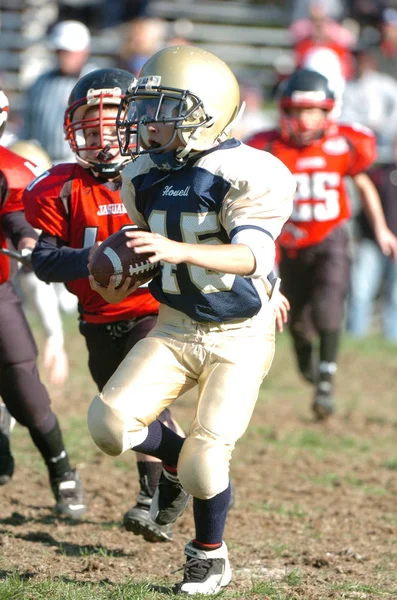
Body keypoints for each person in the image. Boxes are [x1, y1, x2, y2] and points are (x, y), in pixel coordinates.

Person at [86, 45, 295, 594]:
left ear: (207, 112)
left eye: (162, 109)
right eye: (145, 108)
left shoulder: (247, 171)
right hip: (177, 324)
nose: (145, 122)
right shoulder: (142, 173)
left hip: (238, 334)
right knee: (108, 425)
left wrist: (181, 253)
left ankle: (209, 555)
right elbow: (142, 248)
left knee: (210, 460)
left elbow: (252, 256)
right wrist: (128, 268)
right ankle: (180, 470)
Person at [23, 67, 185, 543]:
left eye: (109, 126)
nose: (100, 138)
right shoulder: (59, 186)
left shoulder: (160, 175)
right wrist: (91, 259)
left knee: (141, 401)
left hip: (152, 311)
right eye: (89, 128)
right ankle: (163, 480)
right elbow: (44, 261)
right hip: (96, 319)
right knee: (122, 415)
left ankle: (158, 496)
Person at [246, 68, 397, 420]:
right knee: (298, 320)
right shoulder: (268, 147)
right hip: (290, 243)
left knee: (331, 301)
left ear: (328, 112)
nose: (303, 120)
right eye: (297, 111)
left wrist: (382, 229)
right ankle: (307, 363)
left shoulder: (344, 144)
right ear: (284, 111)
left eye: (312, 111)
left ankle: (326, 378)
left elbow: (362, 184)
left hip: (331, 236)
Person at [0, 88, 86, 517]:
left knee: (25, 389)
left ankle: (62, 471)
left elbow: (18, 220)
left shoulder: (10, 172)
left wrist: (29, 241)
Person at [19, 20, 95, 164]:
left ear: (85, 51)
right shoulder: (41, 81)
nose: (64, 57)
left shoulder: (95, 80)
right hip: (41, 161)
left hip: (82, 162)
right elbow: (28, 121)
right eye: (61, 51)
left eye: (69, 52)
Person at [347, 136, 397, 342]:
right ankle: (354, 339)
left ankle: (392, 341)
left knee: (394, 298)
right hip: (372, 243)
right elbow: (363, 204)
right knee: (360, 292)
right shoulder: (379, 174)